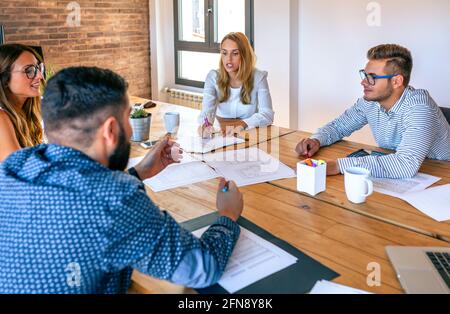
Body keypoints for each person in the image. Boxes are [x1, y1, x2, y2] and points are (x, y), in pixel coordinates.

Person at [0, 66, 244, 294]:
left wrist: (140, 172)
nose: (130, 130)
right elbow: (201, 268)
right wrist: (228, 216)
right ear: (110, 130)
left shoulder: (14, 166)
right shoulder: (116, 200)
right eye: (128, 118)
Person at [295, 44, 450, 179]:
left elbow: (405, 164)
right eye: (364, 75)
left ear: (396, 81)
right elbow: (338, 126)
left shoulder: (420, 106)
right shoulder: (370, 102)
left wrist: (338, 166)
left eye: (372, 77)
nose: (363, 82)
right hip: (402, 177)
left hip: (441, 178)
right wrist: (316, 140)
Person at [198, 32, 274, 138]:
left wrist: (242, 124)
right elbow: (207, 110)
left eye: (235, 53)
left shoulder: (259, 77)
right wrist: (204, 125)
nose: (228, 59)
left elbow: (267, 114)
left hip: (248, 133)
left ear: (244, 55)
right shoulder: (213, 77)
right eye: (224, 53)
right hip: (221, 133)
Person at [0, 43, 45, 161]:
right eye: (29, 70)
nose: (40, 75)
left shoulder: (30, 110)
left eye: (38, 68)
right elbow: (19, 171)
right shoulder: (1, 117)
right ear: (5, 79)